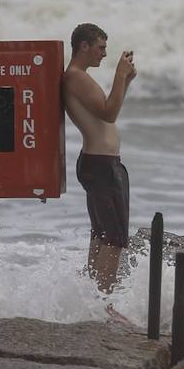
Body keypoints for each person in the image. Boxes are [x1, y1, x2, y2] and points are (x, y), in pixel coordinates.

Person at [63, 23, 136, 301]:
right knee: (114, 238)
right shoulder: (76, 76)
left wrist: (125, 81)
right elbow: (109, 113)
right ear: (84, 46)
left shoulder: (77, 77)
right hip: (101, 164)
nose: (104, 54)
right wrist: (119, 75)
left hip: (100, 163)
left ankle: (93, 297)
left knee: (103, 233)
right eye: (100, 47)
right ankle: (104, 301)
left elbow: (108, 111)